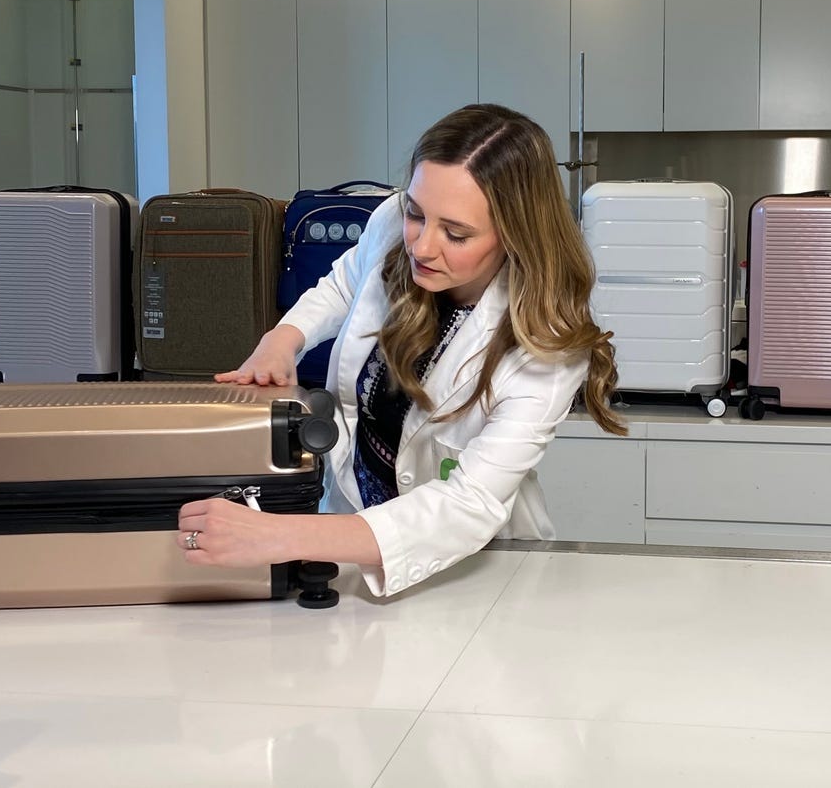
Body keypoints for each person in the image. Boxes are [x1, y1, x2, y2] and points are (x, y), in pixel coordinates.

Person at [177, 103, 626, 596]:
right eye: (416, 214)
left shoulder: (545, 349)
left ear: (516, 235)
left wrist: (279, 535)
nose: (422, 246)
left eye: (456, 233)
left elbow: (468, 502)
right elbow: (345, 282)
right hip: (351, 536)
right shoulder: (396, 220)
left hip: (477, 572)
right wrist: (281, 340)